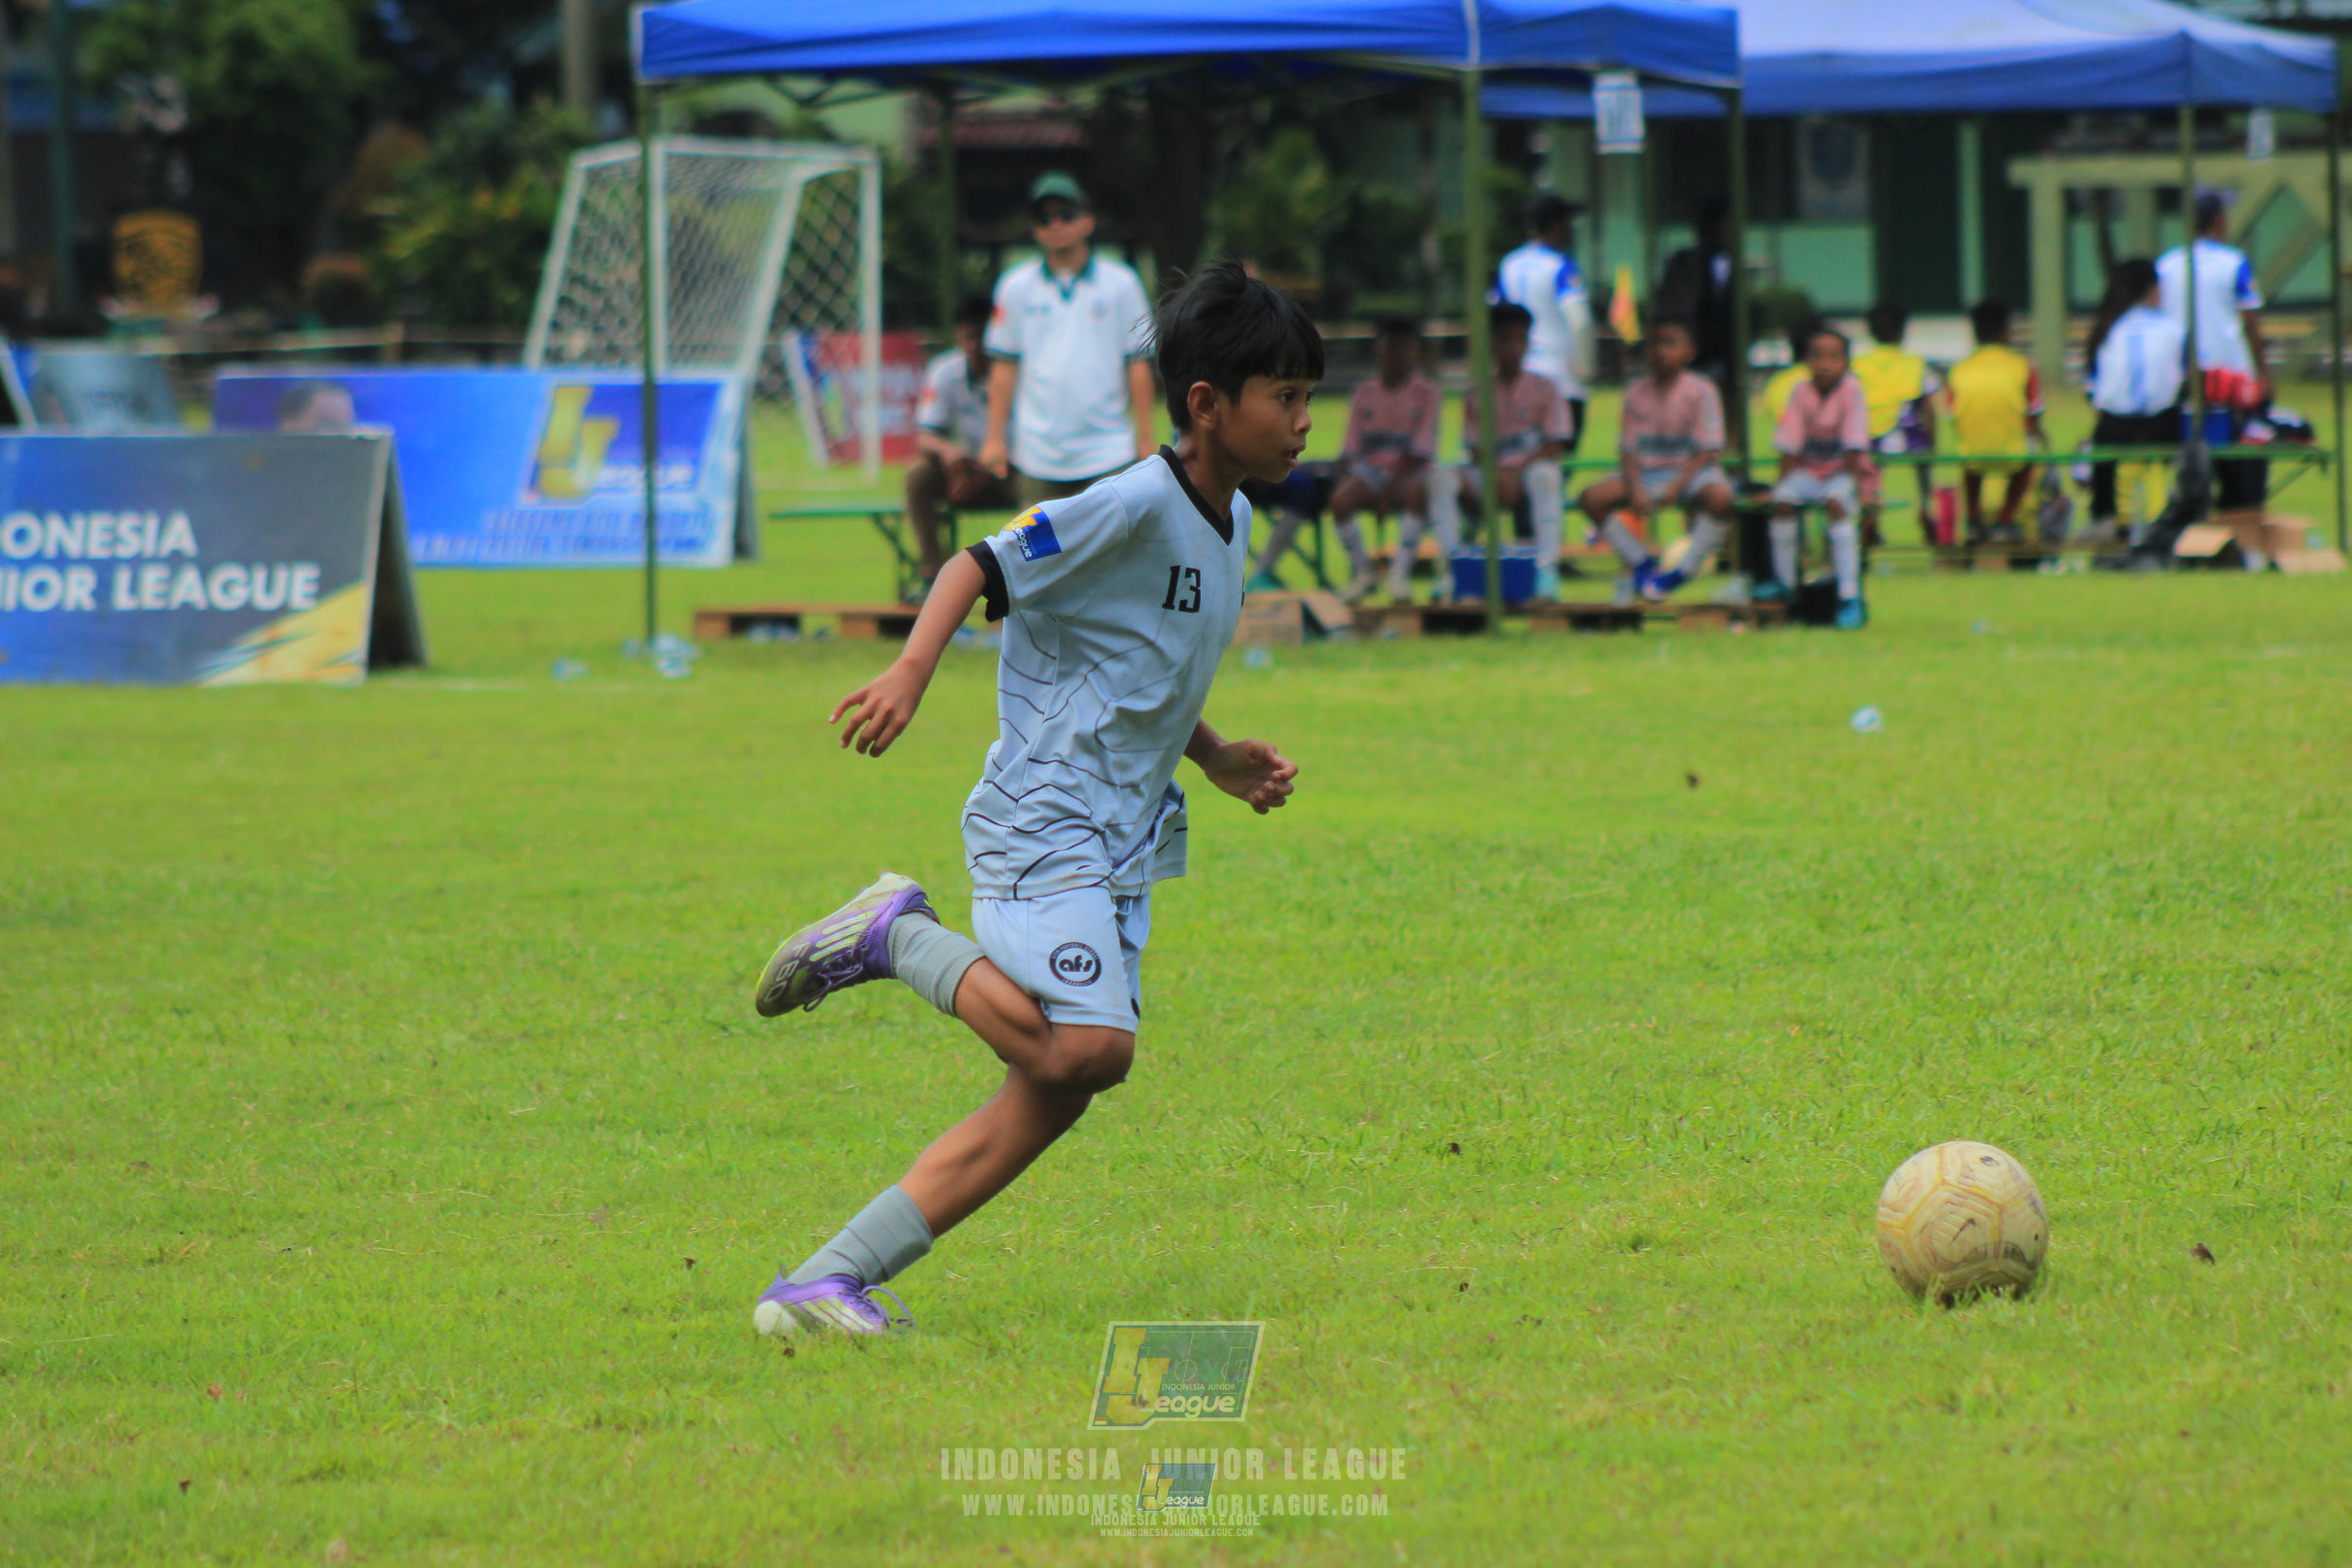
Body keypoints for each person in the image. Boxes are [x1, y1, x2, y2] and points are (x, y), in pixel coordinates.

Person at [746, 261, 1310, 1338]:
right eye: (1283, 396)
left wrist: (1212, 754)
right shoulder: (1135, 502)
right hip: (1044, 817)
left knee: (1055, 1089)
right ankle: (890, 935)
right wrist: (912, 669)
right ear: (1206, 404)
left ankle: (822, 1282)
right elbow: (978, 564)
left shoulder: (1225, 520)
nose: (1301, 422)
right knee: (1090, 1049)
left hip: (1116, 839)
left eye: (1305, 398)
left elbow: (1139, 668)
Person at [980, 172, 1157, 507]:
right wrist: (994, 439)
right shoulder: (1014, 286)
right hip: (1036, 454)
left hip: (1109, 451)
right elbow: (1004, 366)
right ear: (1034, 229)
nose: (1056, 224)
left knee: (1110, 555)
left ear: (1088, 221)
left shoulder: (1122, 283)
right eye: (1044, 218)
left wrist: (1145, 439)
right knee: (1037, 557)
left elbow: (1137, 363)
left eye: (1066, 215)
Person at [1254, 315, 1434, 602]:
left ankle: (1399, 575)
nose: (1397, 356)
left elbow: (1421, 452)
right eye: (1390, 348)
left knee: (1416, 492)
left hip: (1410, 474)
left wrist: (1387, 493)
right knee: (1340, 498)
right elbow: (1350, 451)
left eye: (1404, 348)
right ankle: (1364, 572)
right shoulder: (1364, 393)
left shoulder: (1426, 394)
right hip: (1369, 472)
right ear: (1378, 351)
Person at [1404, 301, 1569, 603]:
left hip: (1527, 474)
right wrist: (1496, 472)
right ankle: (1451, 568)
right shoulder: (1478, 391)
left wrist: (1516, 471)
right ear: (1492, 342)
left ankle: (1547, 570)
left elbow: (1556, 441)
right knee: (1441, 478)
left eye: (1520, 338)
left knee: (1546, 475)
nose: (1512, 347)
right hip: (1488, 475)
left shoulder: (1546, 387)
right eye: (1505, 338)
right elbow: (1474, 447)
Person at [1576, 316, 1736, 601]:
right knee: (1591, 499)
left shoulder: (1702, 390)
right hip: (1647, 473)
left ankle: (1683, 570)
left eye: (1670, 343)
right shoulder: (1636, 391)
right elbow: (1627, 450)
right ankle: (1641, 562)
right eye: (1654, 344)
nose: (1661, 351)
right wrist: (1636, 489)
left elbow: (1708, 450)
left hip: (1691, 473)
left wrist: (1677, 486)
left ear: (1690, 352)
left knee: (1721, 498)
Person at [2158, 190, 2269, 541]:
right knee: (2242, 462)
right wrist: (2264, 373)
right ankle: (2240, 529)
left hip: (2183, 381)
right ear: (2219, 219)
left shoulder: (2166, 265)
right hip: (2230, 381)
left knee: (2191, 463)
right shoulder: (2234, 262)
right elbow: (2250, 323)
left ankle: (2194, 528)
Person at [903, 294, 1018, 599]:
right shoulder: (944, 371)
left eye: (980, 338)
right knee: (918, 476)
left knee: (1039, 482)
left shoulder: (1018, 370)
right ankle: (934, 575)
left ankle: (1026, 579)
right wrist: (950, 454)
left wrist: (992, 468)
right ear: (958, 337)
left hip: (1016, 469)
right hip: (964, 471)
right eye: (967, 338)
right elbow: (925, 435)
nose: (975, 347)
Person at [1766, 323, 1871, 628]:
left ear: (1847, 362)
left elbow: (1854, 448)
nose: (1825, 364)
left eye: (1834, 357)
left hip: (1843, 474)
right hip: (1809, 474)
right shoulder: (1800, 391)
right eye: (1817, 356)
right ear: (1806, 360)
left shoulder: (1852, 392)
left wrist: (1859, 489)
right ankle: (1785, 585)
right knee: (1782, 504)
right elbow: (1789, 445)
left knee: (1837, 507)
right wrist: (1778, 487)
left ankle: (1849, 596)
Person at [2084, 259, 2184, 542]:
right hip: (2163, 425)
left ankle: (2104, 516)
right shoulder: (2172, 328)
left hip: (2115, 428)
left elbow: (2093, 393)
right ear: (2152, 290)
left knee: (2102, 441)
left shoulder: (2106, 330)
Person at [1492, 192, 1595, 449]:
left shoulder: (1509, 264)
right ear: (1556, 226)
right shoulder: (1561, 266)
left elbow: (1494, 313)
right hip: (1560, 377)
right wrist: (1586, 366)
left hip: (1516, 374)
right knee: (1557, 457)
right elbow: (1579, 320)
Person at [1946, 299, 2045, 543]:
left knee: (1969, 460)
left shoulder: (1959, 369)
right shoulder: (2023, 366)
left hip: (1972, 452)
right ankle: (2005, 521)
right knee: (2031, 458)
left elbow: (1951, 413)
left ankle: (1973, 521)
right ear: (2005, 331)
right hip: (2012, 452)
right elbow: (2034, 413)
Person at [1657, 196, 1740, 447]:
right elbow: (1677, 306)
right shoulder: (1686, 262)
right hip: (1695, 350)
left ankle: (1728, 461)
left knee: (1727, 412)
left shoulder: (1732, 261)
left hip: (1725, 353)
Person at [1851, 303, 1939, 542]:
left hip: (1870, 438)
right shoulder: (1916, 364)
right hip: (1910, 436)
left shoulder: (1857, 365)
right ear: (1903, 332)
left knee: (1868, 474)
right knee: (1924, 466)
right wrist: (1934, 440)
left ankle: (1870, 516)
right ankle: (1925, 505)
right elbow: (1929, 408)